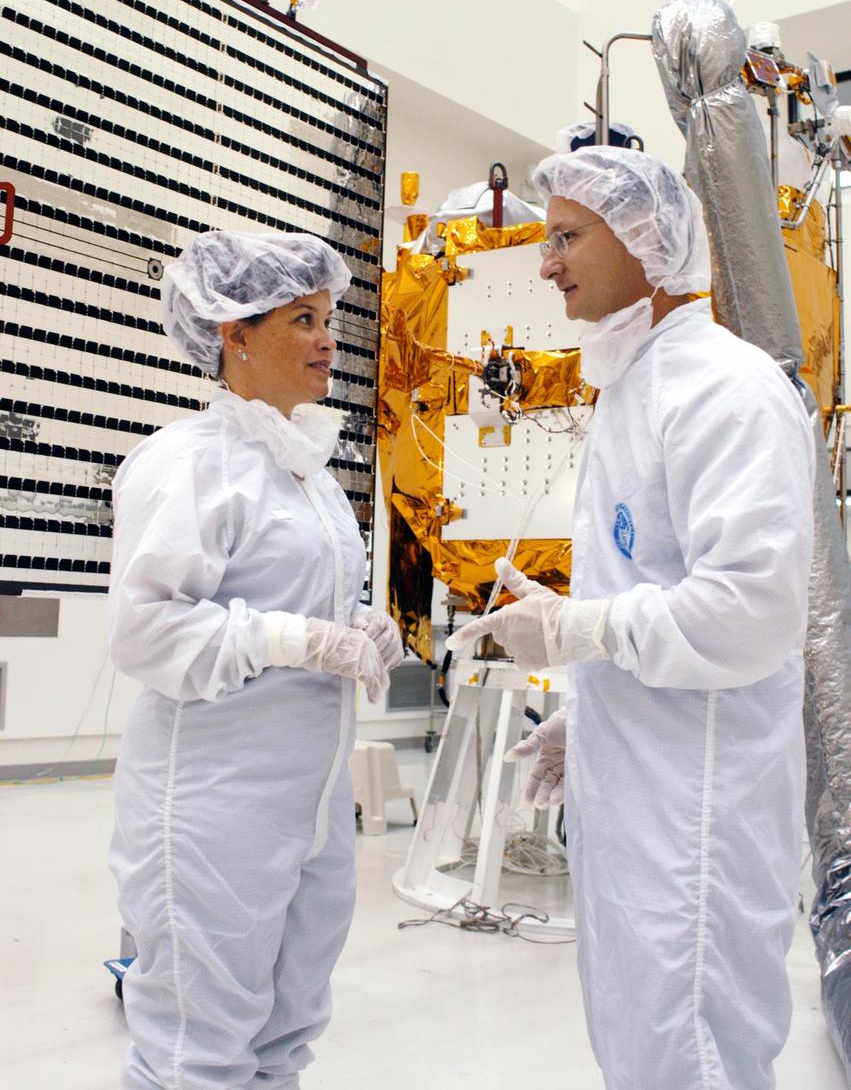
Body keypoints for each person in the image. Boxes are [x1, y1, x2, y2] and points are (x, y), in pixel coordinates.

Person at [447, 147, 815, 1090]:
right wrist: (593, 705)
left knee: (690, 1053)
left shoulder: (723, 392)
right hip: (644, 789)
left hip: (697, 813)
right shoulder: (635, 391)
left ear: (647, 245)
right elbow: (652, 582)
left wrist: (579, 634)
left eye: (567, 237)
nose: (544, 262)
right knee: (642, 1043)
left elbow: (750, 612)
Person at [108, 229, 402, 1090]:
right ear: (233, 334)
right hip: (212, 809)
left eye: (329, 319)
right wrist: (290, 639)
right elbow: (145, 630)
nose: (327, 340)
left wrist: (360, 625)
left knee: (284, 1037)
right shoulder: (186, 464)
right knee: (196, 1050)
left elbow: (308, 599)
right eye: (301, 320)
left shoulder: (305, 472)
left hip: (307, 807)